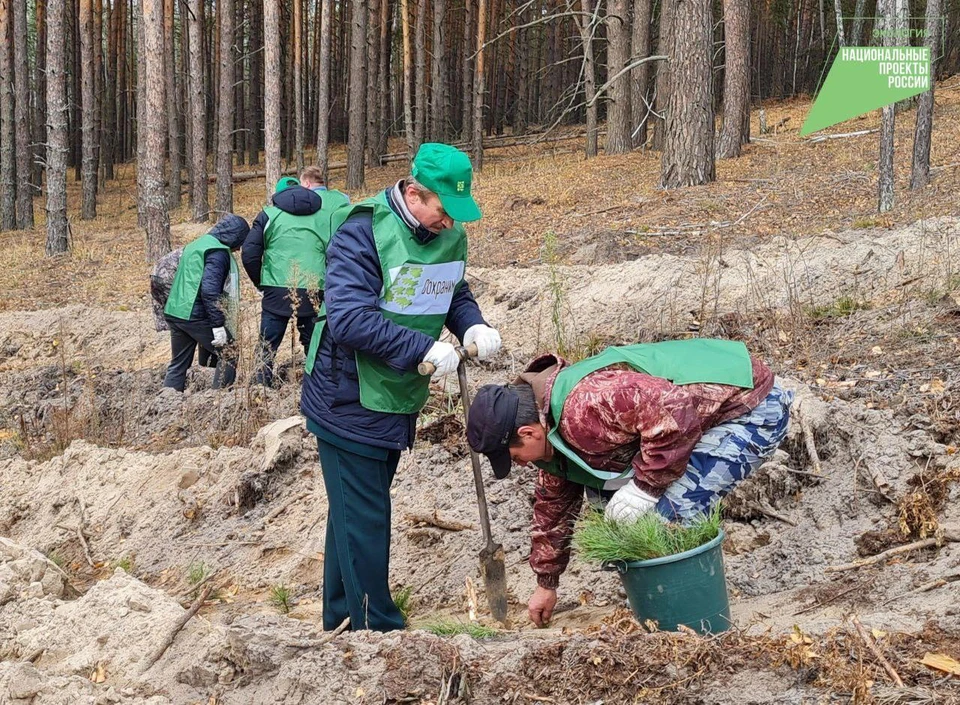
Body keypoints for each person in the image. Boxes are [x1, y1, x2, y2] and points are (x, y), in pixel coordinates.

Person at [300, 143, 502, 632]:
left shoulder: (448, 236)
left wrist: (471, 324)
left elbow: (452, 289)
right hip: (347, 393)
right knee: (366, 515)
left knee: (353, 511)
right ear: (413, 193)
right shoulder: (362, 231)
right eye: (442, 210)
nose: (449, 223)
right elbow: (348, 319)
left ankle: (342, 615)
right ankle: (379, 628)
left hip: (397, 393)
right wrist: (421, 350)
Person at [465, 339, 792, 627]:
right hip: (692, 417)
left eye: (514, 456)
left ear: (528, 433)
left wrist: (647, 486)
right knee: (610, 510)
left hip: (749, 406)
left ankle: (694, 622)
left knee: (665, 517)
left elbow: (674, 410)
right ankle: (658, 604)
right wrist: (546, 583)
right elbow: (553, 507)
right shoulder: (546, 429)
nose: (519, 464)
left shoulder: (585, 407)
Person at [241, 167, 350, 386]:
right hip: (314, 287)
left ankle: (259, 390)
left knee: (267, 344)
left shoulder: (269, 215)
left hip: (276, 287)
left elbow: (250, 253)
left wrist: (261, 283)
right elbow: (336, 252)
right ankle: (318, 387)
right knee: (315, 343)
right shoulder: (324, 217)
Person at [162, 214, 249, 392]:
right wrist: (217, 325)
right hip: (195, 314)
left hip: (176, 311)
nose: (239, 249)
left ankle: (166, 403)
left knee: (179, 363)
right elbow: (210, 290)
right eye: (240, 242)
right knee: (229, 352)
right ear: (234, 236)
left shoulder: (197, 245)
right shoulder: (217, 253)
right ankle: (218, 400)